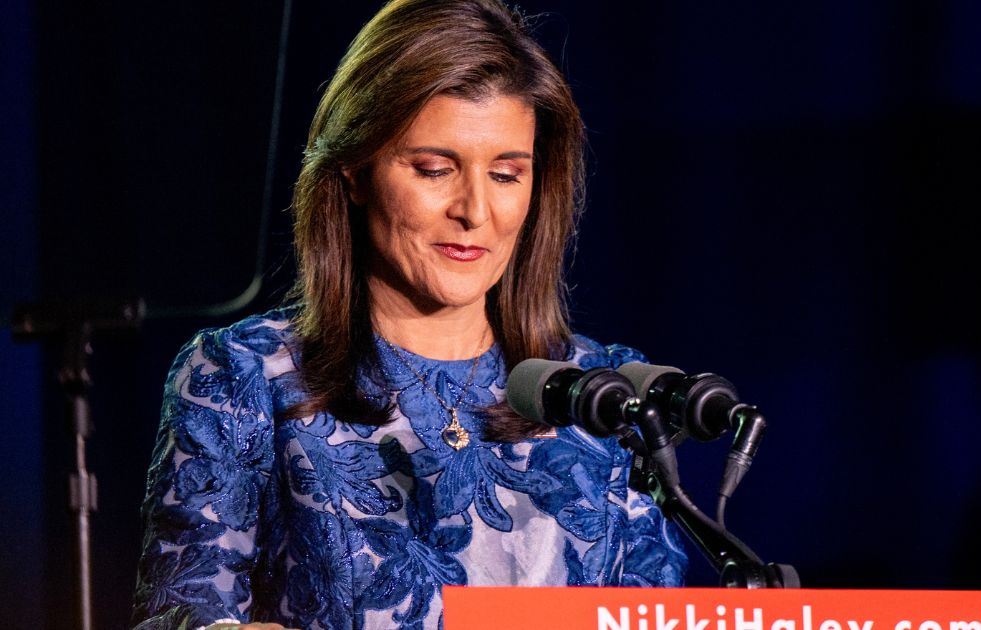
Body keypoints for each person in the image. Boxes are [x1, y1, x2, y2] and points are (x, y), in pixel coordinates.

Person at [129, 1, 687, 628]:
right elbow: (182, 609)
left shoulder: (604, 394)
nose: (476, 211)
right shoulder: (246, 376)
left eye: (506, 174)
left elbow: (654, 609)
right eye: (434, 169)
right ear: (354, 171)